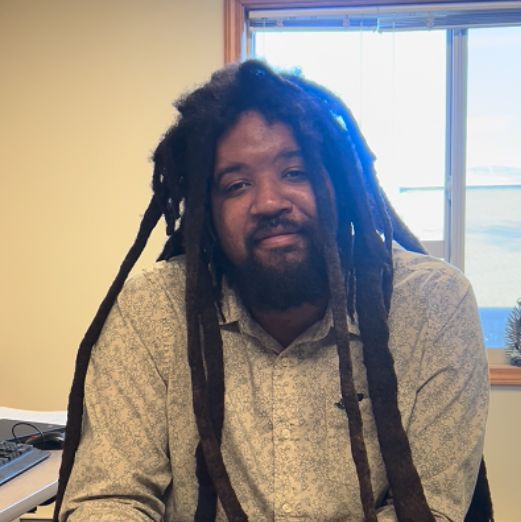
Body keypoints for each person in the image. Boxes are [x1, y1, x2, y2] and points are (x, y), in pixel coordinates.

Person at [55, 60, 492, 521]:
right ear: (206, 209)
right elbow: (109, 498)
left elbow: (428, 512)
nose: (268, 203)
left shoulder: (430, 303)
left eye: (295, 172)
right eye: (237, 184)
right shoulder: (151, 312)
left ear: (339, 184)